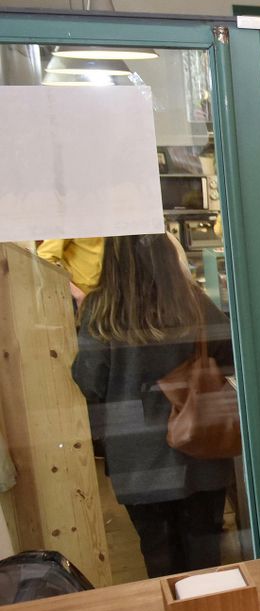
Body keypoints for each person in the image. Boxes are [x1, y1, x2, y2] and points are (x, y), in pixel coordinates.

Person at [70, 234, 236, 579]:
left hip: (137, 456)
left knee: (158, 553)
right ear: (165, 254)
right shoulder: (192, 302)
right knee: (204, 554)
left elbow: (91, 382)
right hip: (200, 446)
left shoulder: (101, 311)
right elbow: (229, 355)